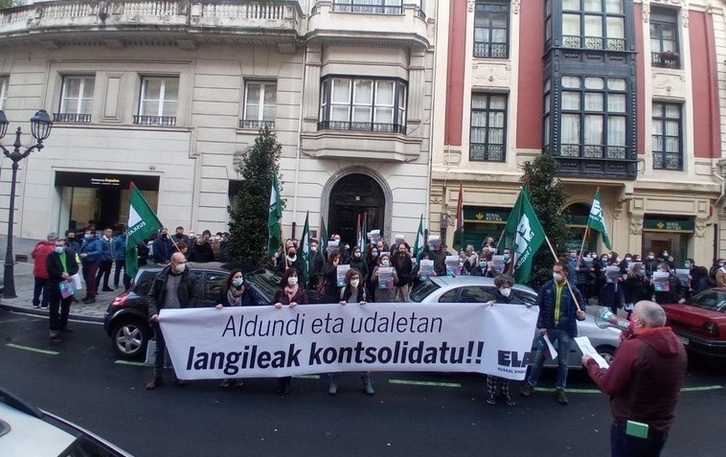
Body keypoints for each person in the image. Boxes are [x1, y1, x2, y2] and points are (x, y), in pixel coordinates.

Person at [582, 300, 687, 457]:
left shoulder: (633, 348)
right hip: (661, 427)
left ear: (639, 321)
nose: (629, 319)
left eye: (632, 316)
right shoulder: (678, 346)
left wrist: (591, 364)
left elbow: (609, 385)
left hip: (631, 427)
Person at [520, 261, 586, 405]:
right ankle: (530, 384)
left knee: (563, 361)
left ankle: (560, 389)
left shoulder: (573, 290)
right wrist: (542, 325)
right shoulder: (547, 287)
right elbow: (540, 306)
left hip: (565, 330)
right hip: (548, 330)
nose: (555, 274)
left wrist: (581, 314)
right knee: (540, 358)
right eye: (554, 271)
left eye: (558, 272)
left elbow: (581, 310)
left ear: (565, 273)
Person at [146, 252, 197, 390]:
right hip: (163, 318)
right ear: (173, 263)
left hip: (179, 319)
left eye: (184, 261)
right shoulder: (161, 277)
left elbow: (194, 296)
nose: (183, 265)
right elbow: (151, 296)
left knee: (177, 348)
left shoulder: (189, 277)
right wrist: (154, 313)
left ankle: (178, 375)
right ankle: (157, 377)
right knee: (159, 349)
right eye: (180, 262)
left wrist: (186, 313)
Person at [328, 268, 375, 396]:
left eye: (357, 278)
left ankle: (366, 382)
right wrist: (340, 305)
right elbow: (332, 308)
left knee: (362, 356)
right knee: (341, 354)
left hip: (360, 329)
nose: (355, 281)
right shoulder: (342, 292)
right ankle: (334, 381)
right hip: (344, 328)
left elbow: (372, 307)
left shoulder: (364, 291)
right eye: (353, 278)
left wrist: (366, 305)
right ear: (348, 280)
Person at [485, 274, 530, 406]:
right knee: (493, 368)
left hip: (509, 339)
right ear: (498, 287)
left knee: (506, 367)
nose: (507, 289)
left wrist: (526, 307)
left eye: (508, 286)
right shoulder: (492, 298)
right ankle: (491, 393)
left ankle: (505, 393)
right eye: (504, 287)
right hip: (495, 338)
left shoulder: (514, 299)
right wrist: (489, 306)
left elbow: (520, 308)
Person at [215, 269, 253, 388]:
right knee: (228, 350)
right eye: (236, 276)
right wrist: (218, 306)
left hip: (243, 325)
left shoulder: (247, 290)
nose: (238, 279)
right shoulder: (224, 291)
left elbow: (255, 304)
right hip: (228, 326)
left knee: (240, 350)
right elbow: (216, 303)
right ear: (231, 278)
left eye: (240, 276)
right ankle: (227, 375)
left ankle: (239, 375)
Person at [272, 268, 308, 394]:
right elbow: (271, 308)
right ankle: (280, 380)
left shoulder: (301, 293)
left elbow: (307, 309)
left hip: (294, 329)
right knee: (281, 355)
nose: (293, 278)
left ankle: (287, 381)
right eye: (291, 276)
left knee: (289, 356)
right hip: (281, 329)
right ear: (286, 278)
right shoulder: (280, 292)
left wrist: (298, 308)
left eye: (295, 276)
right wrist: (276, 306)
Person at [45, 237, 79, 340]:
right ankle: (54, 329)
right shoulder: (51, 256)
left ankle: (63, 324)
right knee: (54, 308)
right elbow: (49, 268)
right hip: (55, 284)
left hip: (67, 283)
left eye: (60, 245)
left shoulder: (70, 255)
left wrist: (68, 273)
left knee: (66, 306)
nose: (58, 247)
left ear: (65, 246)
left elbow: (75, 267)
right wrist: (61, 274)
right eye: (56, 245)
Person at [31, 232, 57, 310]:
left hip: (37, 271)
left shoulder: (39, 246)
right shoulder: (54, 248)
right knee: (47, 289)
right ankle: (44, 304)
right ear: (55, 239)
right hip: (48, 273)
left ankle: (35, 303)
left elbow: (33, 255)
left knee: (37, 288)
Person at [79, 229, 103, 304]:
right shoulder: (85, 241)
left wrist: (88, 254)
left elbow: (99, 252)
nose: (86, 234)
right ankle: (88, 295)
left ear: (93, 234)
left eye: (88, 233)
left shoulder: (97, 241)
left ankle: (92, 296)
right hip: (85, 261)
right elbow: (81, 249)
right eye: (86, 233)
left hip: (93, 262)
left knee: (91, 279)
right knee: (86, 278)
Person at [95, 227, 114, 293]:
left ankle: (105, 286)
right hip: (103, 260)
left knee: (107, 273)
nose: (110, 233)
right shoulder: (101, 240)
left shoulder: (111, 240)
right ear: (104, 232)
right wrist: (103, 257)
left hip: (109, 259)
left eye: (111, 232)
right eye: (108, 232)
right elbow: (100, 250)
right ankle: (95, 288)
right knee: (100, 274)